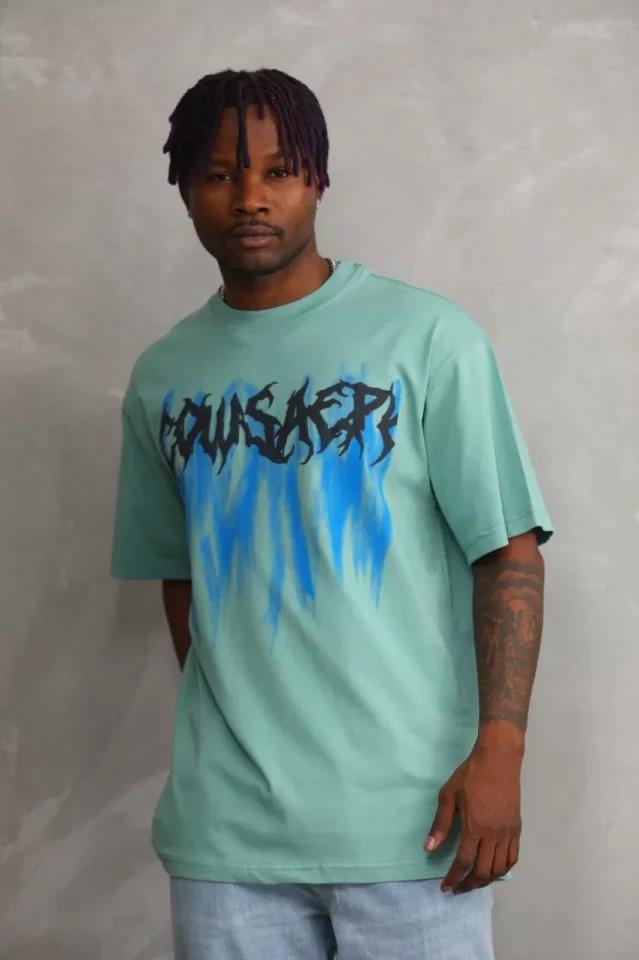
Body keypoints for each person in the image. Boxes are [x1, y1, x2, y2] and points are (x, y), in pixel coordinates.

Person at [110, 67, 554, 960]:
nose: (249, 198)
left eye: (277, 171)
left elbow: (506, 554)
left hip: (414, 824)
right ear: (183, 190)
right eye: (218, 174)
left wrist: (500, 753)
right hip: (225, 838)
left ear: (317, 179)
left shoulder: (427, 339)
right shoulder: (163, 375)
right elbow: (182, 577)